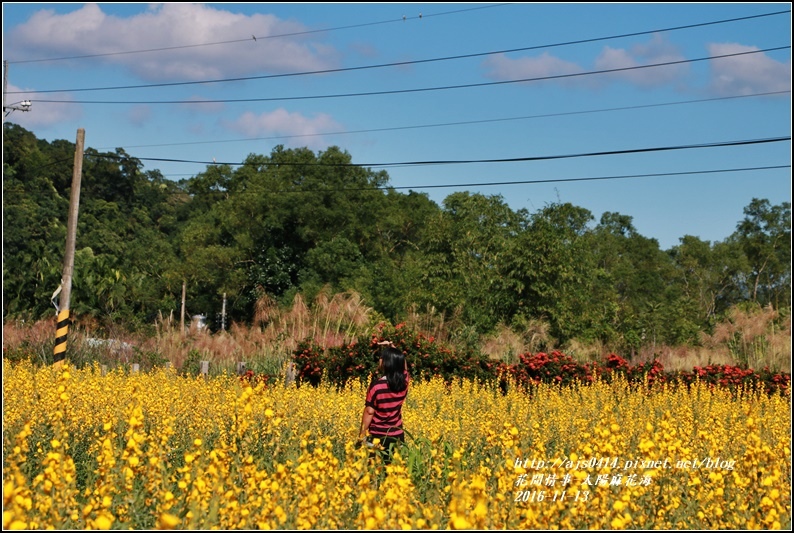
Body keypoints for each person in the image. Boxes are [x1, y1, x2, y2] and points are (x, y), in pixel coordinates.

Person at [358, 343, 409, 463]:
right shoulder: (404, 383)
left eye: (381, 357)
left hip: (377, 436)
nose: (379, 360)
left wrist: (362, 435)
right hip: (397, 435)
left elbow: (369, 412)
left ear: (386, 362)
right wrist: (394, 348)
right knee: (393, 472)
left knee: (373, 473)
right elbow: (404, 367)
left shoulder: (376, 386)